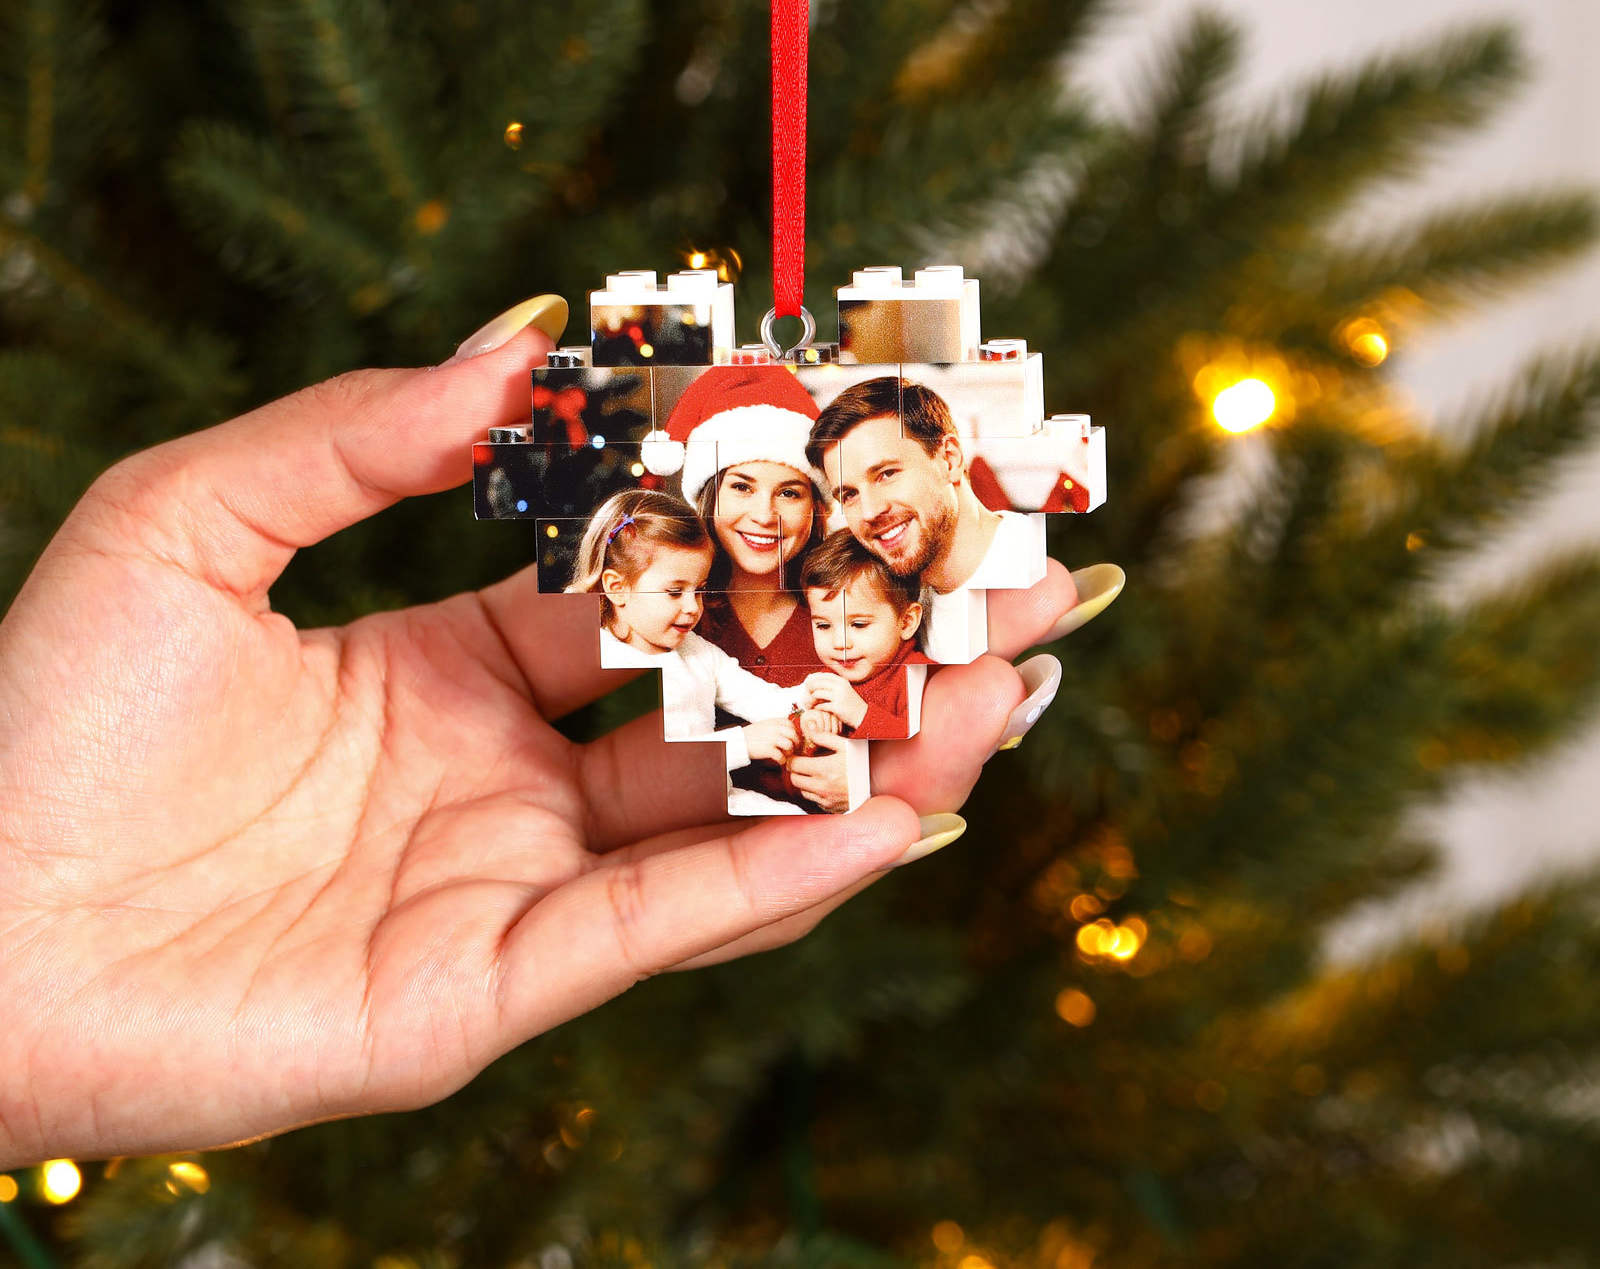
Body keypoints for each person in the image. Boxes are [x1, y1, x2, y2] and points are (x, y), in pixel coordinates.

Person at [0, 294, 1103, 1168]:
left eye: (800, 493)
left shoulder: (864, 609)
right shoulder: (673, 590)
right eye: (739, 491)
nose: (768, 516)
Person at [647, 363, 857, 812]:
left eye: (789, 493)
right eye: (742, 487)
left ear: (816, 508)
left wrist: (865, 774)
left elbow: (901, 715)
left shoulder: (853, 604)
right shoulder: (665, 612)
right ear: (709, 497)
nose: (764, 515)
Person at [565, 489, 839, 772]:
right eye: (674, 592)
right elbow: (640, 763)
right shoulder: (599, 659)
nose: (692, 607)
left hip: (715, 798)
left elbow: (763, 699)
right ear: (617, 587)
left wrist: (811, 698)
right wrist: (741, 744)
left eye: (699, 590)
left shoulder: (696, 651)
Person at [807, 375, 1041, 663]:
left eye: (886, 474)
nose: (869, 512)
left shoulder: (1033, 567)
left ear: (949, 459)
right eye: (849, 494)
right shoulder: (898, 610)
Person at [800, 531, 931, 741]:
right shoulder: (829, 677)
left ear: (906, 622)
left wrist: (860, 714)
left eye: (859, 625)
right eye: (823, 625)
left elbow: (927, 752)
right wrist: (805, 725)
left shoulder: (922, 680)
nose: (839, 643)